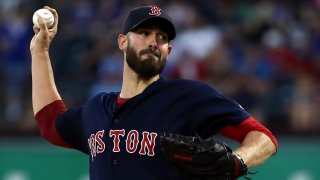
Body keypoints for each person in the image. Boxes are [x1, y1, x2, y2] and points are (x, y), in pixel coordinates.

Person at [30, 5, 278, 180]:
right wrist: (40, 52)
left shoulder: (187, 96)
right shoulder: (98, 107)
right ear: (122, 42)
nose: (153, 41)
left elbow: (263, 137)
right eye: (144, 33)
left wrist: (238, 161)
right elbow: (50, 122)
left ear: (168, 50)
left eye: (161, 37)